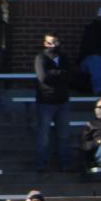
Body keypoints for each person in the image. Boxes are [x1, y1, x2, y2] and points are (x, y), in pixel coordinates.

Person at [33, 32, 72, 172]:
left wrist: (54, 73)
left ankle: (65, 164)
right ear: (45, 43)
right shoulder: (41, 58)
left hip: (63, 101)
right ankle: (41, 164)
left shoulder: (64, 58)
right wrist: (60, 73)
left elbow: (71, 74)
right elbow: (43, 78)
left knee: (64, 135)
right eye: (50, 42)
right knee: (43, 136)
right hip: (45, 102)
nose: (53, 45)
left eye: (55, 42)